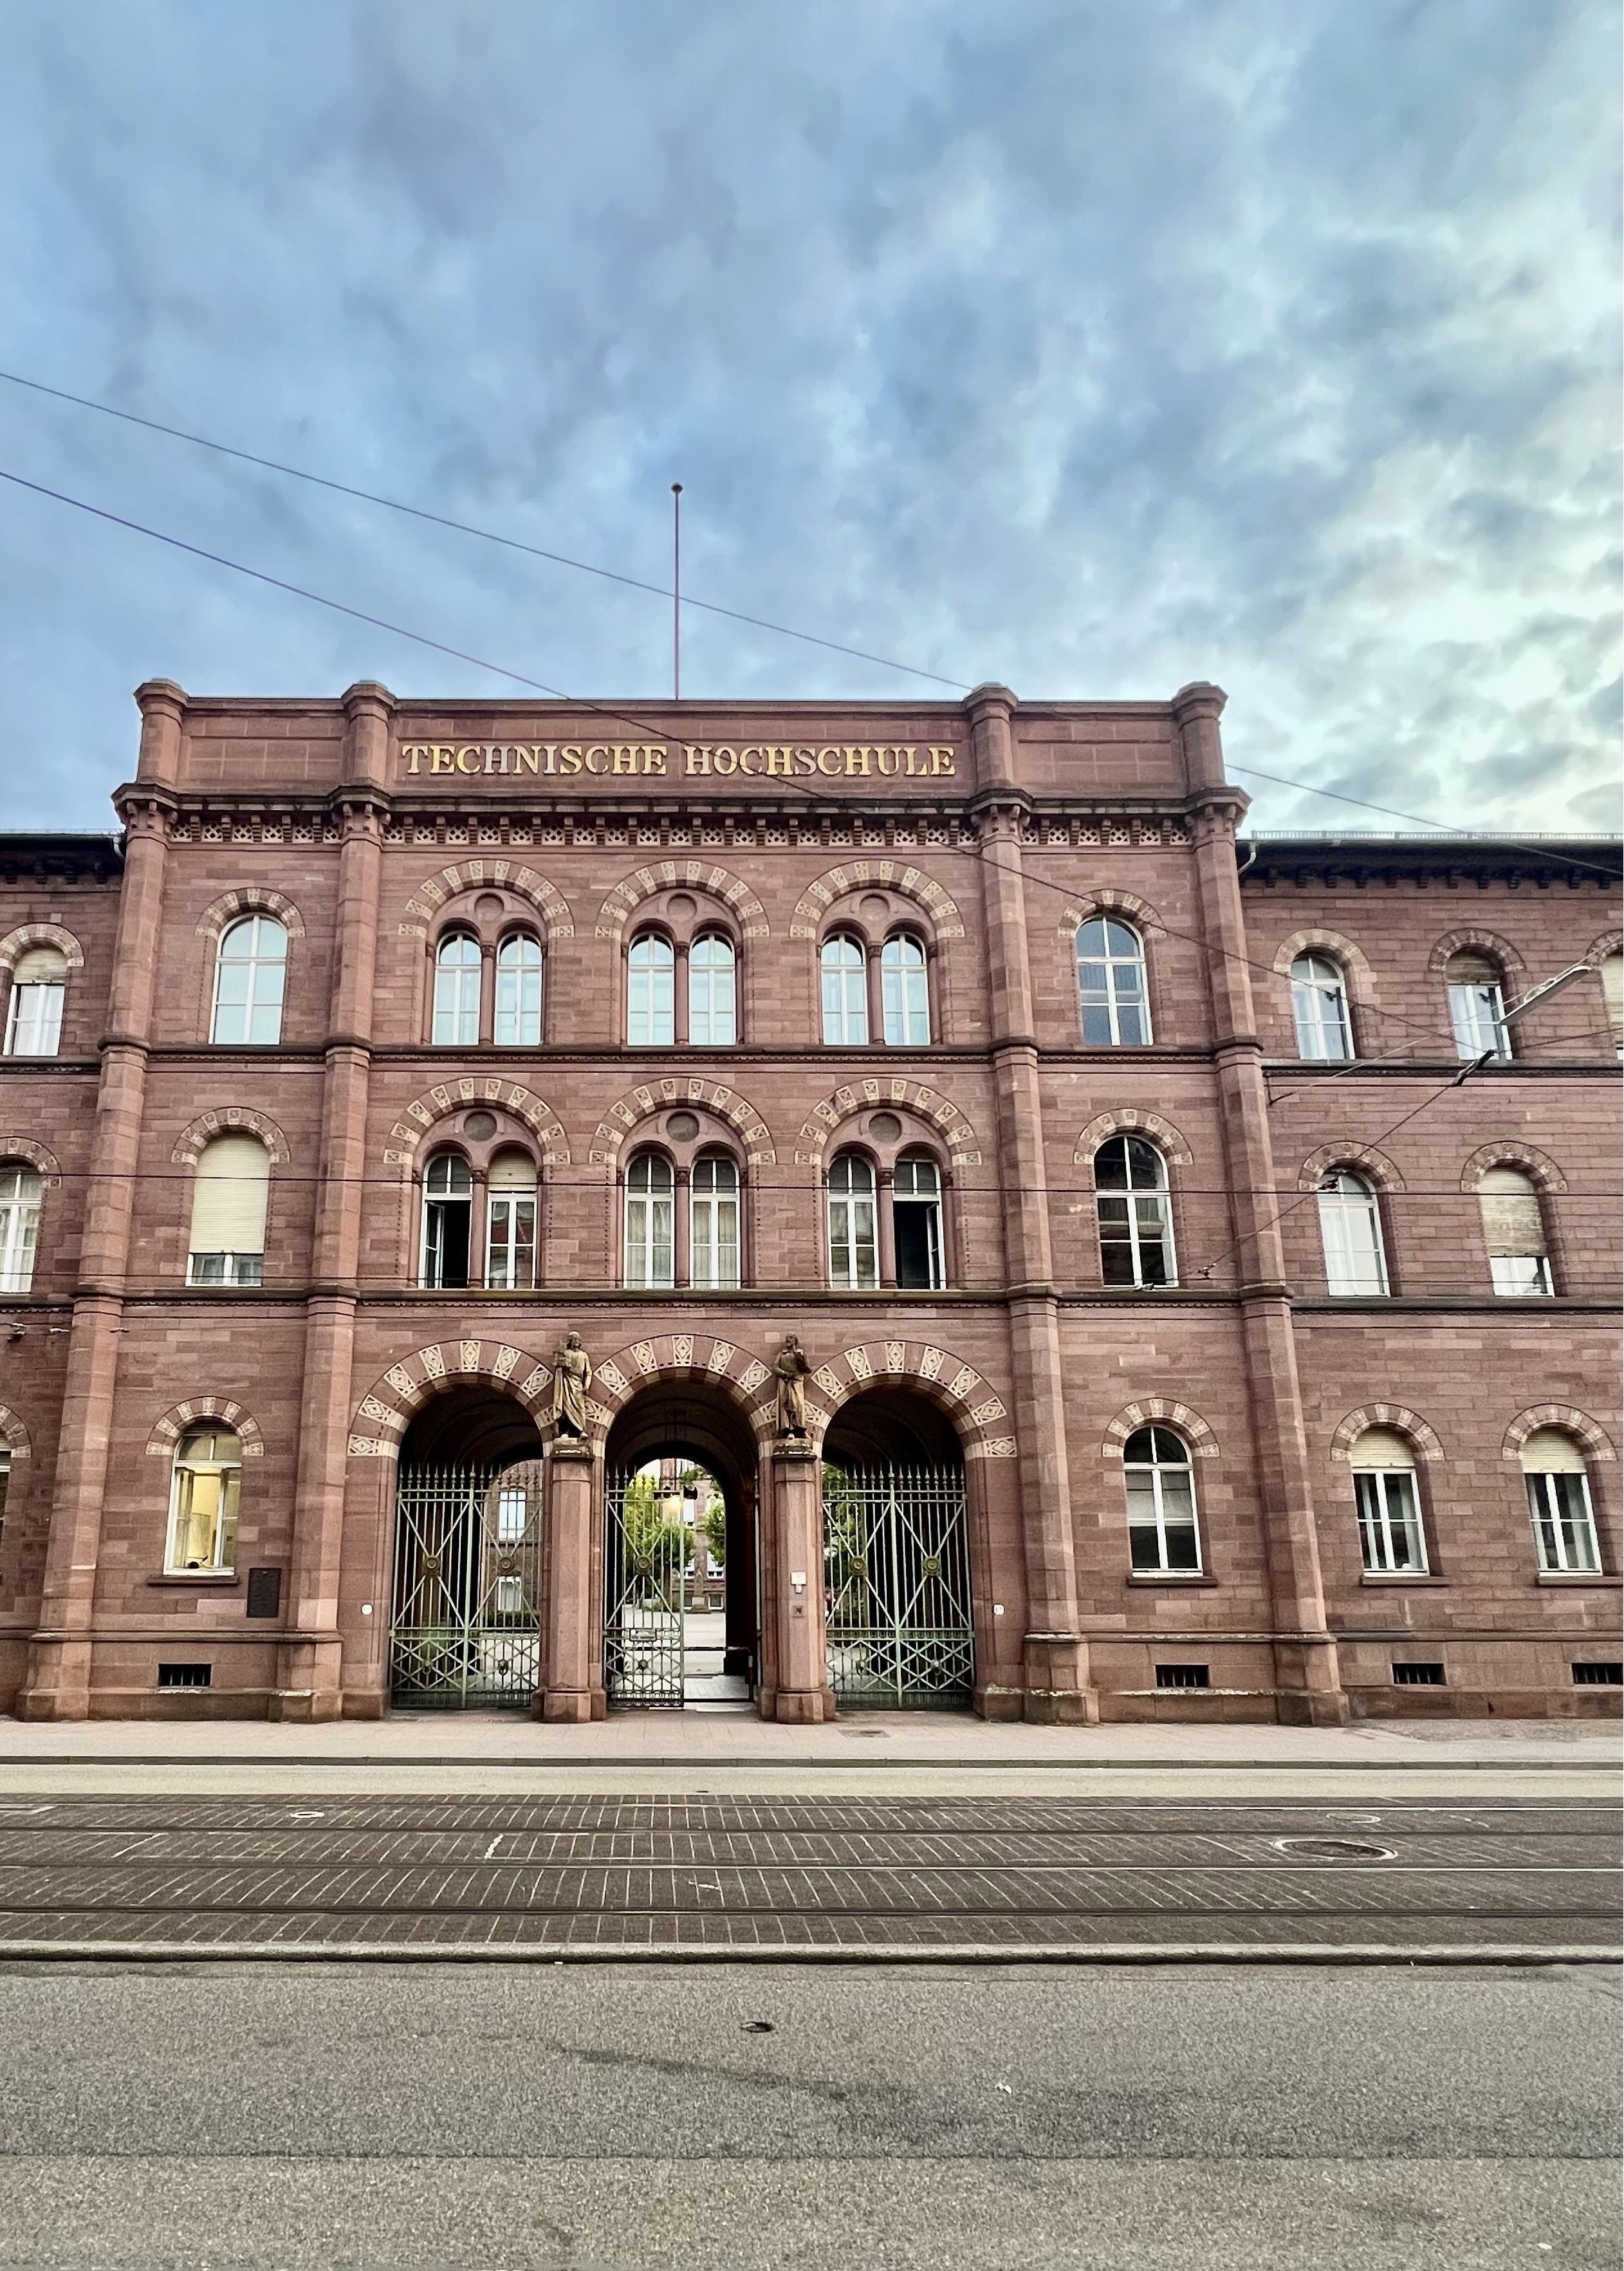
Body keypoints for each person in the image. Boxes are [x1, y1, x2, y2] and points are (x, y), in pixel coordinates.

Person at [551, 1330, 593, 1438]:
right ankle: (566, 1431)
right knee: (566, 1407)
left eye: (577, 1339)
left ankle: (581, 1430)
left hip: (578, 1383)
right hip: (567, 1381)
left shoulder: (584, 1355)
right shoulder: (566, 1353)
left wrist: (587, 1385)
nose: (576, 1341)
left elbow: (588, 1372)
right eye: (574, 1339)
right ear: (570, 1341)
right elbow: (558, 1365)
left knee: (580, 1408)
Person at [773, 1333, 811, 1438]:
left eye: (791, 1338)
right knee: (784, 1404)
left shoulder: (800, 1354)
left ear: (795, 1340)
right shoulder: (782, 1354)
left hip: (796, 1381)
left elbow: (808, 1369)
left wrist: (799, 1359)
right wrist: (784, 1373)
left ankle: (799, 1426)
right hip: (784, 1381)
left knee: (798, 1403)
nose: (788, 1340)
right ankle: (786, 1427)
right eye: (787, 1338)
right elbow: (775, 1367)